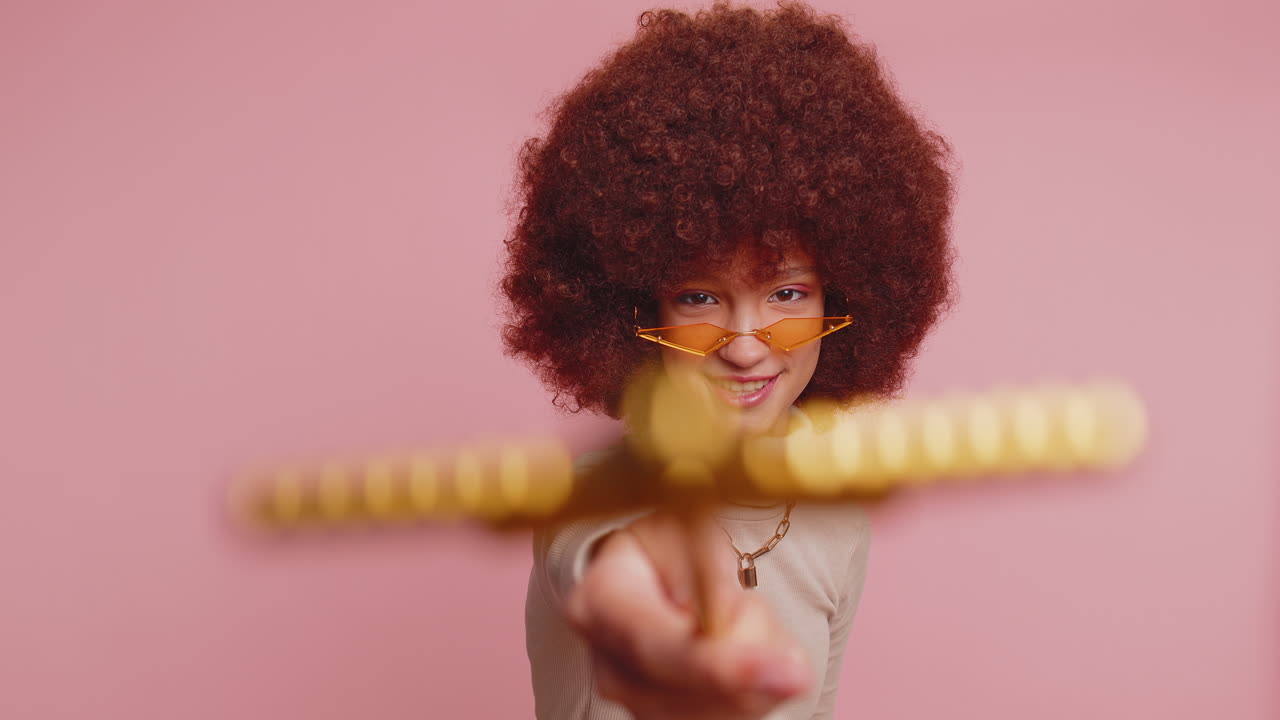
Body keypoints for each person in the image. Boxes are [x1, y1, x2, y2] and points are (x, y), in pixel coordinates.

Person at [500, 2, 956, 718]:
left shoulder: (838, 517)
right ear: (636, 311)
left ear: (844, 291)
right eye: (699, 297)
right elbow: (604, 563)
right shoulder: (591, 495)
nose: (746, 346)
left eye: (785, 291)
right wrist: (648, 605)